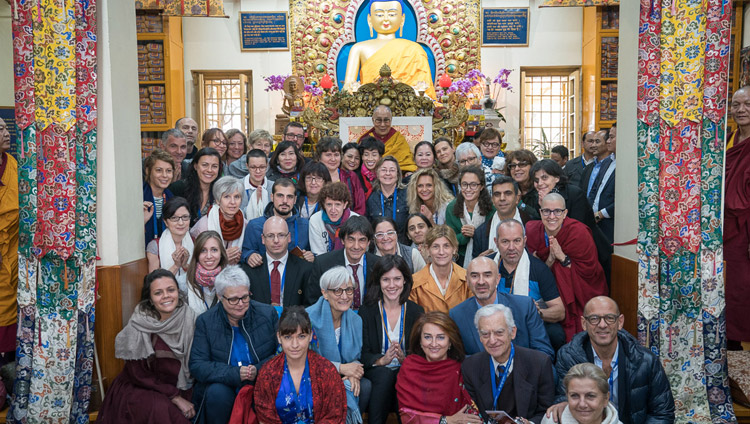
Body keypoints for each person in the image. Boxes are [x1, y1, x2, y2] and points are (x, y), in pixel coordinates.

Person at [547, 297, 674, 424]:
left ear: (620, 322)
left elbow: (662, 413)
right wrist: (561, 403)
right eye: (594, 319)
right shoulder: (568, 356)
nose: (602, 325)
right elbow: (563, 396)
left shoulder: (646, 360)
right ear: (584, 323)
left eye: (609, 318)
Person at [97, 269, 197, 423]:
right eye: (158, 293)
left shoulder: (191, 318)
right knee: (162, 410)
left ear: (178, 291)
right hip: (142, 388)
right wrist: (174, 397)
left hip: (182, 386)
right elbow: (138, 374)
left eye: (171, 290)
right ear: (150, 299)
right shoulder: (139, 324)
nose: (166, 296)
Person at [189, 265, 279, 424]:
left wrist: (257, 370)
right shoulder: (206, 321)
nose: (241, 304)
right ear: (220, 296)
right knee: (217, 393)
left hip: (262, 380)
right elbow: (198, 365)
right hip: (225, 386)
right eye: (233, 299)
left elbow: (280, 353)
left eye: (245, 297)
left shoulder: (267, 314)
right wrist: (235, 373)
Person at [526, 193, 607, 341]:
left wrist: (562, 257)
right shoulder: (532, 231)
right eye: (546, 211)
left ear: (565, 213)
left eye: (557, 211)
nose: (552, 216)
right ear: (540, 212)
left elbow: (589, 272)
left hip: (579, 292)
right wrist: (550, 259)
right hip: (547, 295)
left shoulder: (579, 233)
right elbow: (535, 272)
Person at [360, 255, 426, 424]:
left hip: (406, 370)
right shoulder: (367, 311)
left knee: (401, 375)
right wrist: (382, 360)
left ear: (405, 281)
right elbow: (363, 353)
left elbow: (421, 352)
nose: (391, 285)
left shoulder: (416, 311)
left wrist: (406, 360)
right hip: (377, 371)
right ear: (378, 282)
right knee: (385, 375)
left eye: (397, 279)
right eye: (386, 279)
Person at [252, 306, 347, 423]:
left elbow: (334, 415)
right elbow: (265, 417)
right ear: (279, 337)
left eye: (301, 336)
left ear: (310, 336)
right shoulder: (268, 372)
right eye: (288, 337)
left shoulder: (326, 371)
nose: (295, 344)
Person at [461, 304, 554, 423]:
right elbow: (473, 412)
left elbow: (546, 411)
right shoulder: (470, 366)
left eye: (499, 332)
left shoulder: (539, 363)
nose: (492, 341)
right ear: (480, 337)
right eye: (485, 334)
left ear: (512, 332)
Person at [449, 257, 553, 358]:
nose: (481, 282)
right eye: (475, 276)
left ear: (497, 279)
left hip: (523, 373)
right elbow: (458, 358)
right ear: (467, 280)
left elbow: (544, 352)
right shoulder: (456, 315)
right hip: (480, 374)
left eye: (487, 275)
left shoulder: (524, 307)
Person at [307, 267, 371, 424]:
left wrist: (352, 373)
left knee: (363, 385)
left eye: (349, 290)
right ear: (324, 293)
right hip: (314, 376)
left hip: (344, 375)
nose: (345, 296)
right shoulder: (308, 318)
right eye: (337, 291)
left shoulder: (356, 320)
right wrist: (341, 369)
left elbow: (356, 357)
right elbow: (305, 360)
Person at [395, 311, 481, 423]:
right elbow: (406, 416)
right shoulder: (409, 367)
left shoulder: (462, 369)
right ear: (420, 341)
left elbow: (471, 414)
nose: (434, 344)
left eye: (440, 337)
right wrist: (444, 421)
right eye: (427, 337)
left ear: (450, 341)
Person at [494, 220, 566, 350]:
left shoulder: (539, 269)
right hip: (493, 324)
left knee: (556, 334)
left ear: (524, 241)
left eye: (517, 241)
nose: (511, 247)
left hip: (528, 325)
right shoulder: (488, 266)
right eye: (505, 242)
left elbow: (560, 312)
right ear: (496, 242)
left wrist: (537, 313)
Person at [343, 0, 436, 98]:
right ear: (369, 19)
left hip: (407, 106)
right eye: (379, 15)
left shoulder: (414, 49)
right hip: (369, 106)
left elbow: (424, 91)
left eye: (392, 14)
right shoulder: (359, 48)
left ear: (402, 19)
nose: (386, 19)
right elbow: (348, 86)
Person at [308, 216, 378, 309]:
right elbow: (313, 301)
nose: (356, 246)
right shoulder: (323, 264)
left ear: (369, 242)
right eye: (351, 239)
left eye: (362, 240)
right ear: (342, 240)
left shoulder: (378, 264)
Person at [243, 217, 314, 308]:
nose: (276, 240)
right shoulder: (249, 270)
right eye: (270, 236)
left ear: (289, 237)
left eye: (281, 235)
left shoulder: (305, 269)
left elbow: (310, 307)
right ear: (263, 239)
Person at [726, 86, 750, 347]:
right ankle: (729, 341)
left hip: (747, 227)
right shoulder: (728, 141)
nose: (741, 110)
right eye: (736, 104)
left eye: (747, 104)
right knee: (729, 286)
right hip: (727, 226)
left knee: (744, 285)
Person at [242, 178, 313, 265]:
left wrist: (311, 256)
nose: (285, 201)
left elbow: (313, 253)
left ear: (295, 200)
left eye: (289, 197)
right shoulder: (255, 225)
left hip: (296, 276)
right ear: (272, 197)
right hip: (264, 276)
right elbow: (244, 252)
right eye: (280, 196)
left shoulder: (305, 225)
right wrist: (249, 256)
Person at [410, 225, 472, 313]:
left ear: (454, 249)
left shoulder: (467, 279)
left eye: (446, 246)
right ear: (428, 250)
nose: (441, 252)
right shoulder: (414, 282)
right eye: (436, 246)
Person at [445, 166, 495, 267]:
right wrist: (464, 235)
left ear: (481, 186)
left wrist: (476, 234)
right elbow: (449, 239)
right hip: (460, 258)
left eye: (473, 185)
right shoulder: (451, 208)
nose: (468, 189)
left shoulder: (492, 208)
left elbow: (493, 237)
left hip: (486, 256)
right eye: (464, 184)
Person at [471, 176, 531, 259]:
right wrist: (480, 260)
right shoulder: (480, 233)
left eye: (508, 193)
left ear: (517, 198)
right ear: (492, 199)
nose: (502, 198)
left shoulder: (531, 225)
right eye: (497, 194)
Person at [190, 176, 246, 265]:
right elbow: (195, 259)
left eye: (237, 196)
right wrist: (221, 257)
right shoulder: (203, 226)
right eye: (227, 196)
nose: (232, 202)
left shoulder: (245, 224)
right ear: (217, 200)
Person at [541, 363, 622, 424]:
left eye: (590, 396)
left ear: (606, 399)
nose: (582, 404)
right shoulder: (552, 421)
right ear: (567, 396)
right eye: (574, 396)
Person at [168, 147, 222, 227]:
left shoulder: (221, 192)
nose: (209, 170)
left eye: (214, 166)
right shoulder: (178, 188)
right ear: (195, 166)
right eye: (205, 165)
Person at [146, 197, 194, 285]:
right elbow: (154, 284)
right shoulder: (155, 246)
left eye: (185, 217)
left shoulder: (196, 242)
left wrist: (185, 266)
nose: (181, 223)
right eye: (174, 218)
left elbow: (201, 277)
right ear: (165, 222)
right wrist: (176, 266)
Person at [357, 105, 417, 172]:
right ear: (373, 120)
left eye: (386, 120)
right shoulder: (364, 139)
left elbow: (407, 164)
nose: (382, 124)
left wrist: (407, 172)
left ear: (391, 120)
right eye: (378, 120)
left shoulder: (398, 139)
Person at [316, 137, 367, 215]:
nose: (333, 159)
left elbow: (360, 206)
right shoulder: (313, 177)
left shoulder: (350, 176)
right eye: (328, 155)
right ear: (319, 157)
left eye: (336, 155)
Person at [181, 231, 228, 315]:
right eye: (203, 250)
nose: (209, 256)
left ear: (221, 253)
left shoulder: (232, 281)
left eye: (214, 250)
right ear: (196, 254)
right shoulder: (183, 284)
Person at [366, 156, 409, 240]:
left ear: (398, 174)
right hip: (379, 246)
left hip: (402, 246)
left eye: (392, 170)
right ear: (377, 174)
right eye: (383, 170)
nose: (388, 173)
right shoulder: (371, 198)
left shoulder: (407, 195)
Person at [309, 182, 359, 255]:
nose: (333, 210)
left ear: (345, 205)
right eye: (329, 204)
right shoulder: (315, 220)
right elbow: (318, 254)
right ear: (323, 204)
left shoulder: (356, 220)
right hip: (323, 263)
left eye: (337, 204)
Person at [143, 149, 175, 247]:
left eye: (168, 171)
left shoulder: (172, 198)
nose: (165, 175)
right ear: (148, 171)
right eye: (159, 170)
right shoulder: (138, 196)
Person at [239, 149, 273, 221]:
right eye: (253, 167)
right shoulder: (237, 186)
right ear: (247, 166)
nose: (258, 171)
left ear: (267, 166)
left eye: (262, 167)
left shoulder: (274, 187)